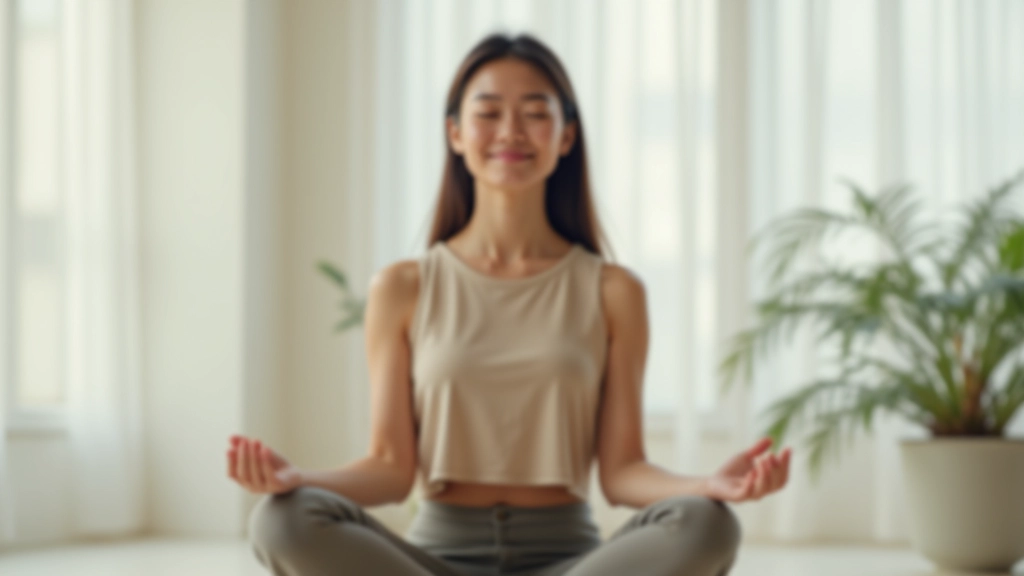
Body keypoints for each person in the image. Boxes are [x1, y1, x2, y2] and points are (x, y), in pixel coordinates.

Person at [227, 32, 791, 576]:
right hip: (435, 558)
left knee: (706, 525)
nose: (511, 131)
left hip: (572, 559)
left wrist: (706, 487)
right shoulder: (402, 288)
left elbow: (623, 473)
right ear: (454, 133)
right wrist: (299, 477)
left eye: (536, 112)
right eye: (488, 111)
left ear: (566, 136)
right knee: (282, 520)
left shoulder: (614, 291)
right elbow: (389, 469)